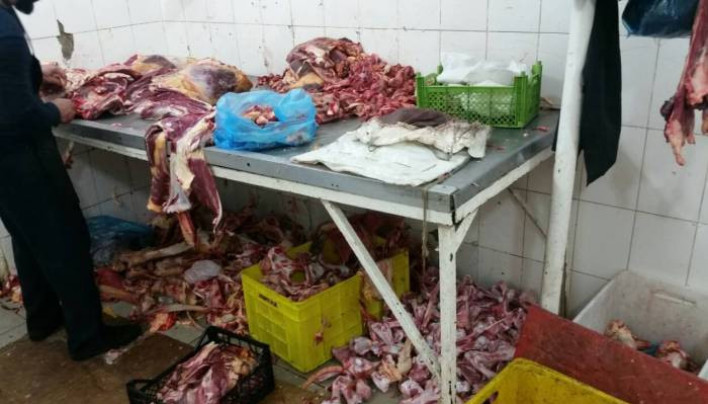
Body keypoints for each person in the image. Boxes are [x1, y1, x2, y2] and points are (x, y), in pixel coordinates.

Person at [0, 0, 141, 360]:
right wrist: (54, 111)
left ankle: (43, 319)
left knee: (27, 237)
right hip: (21, 153)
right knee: (65, 239)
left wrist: (34, 73)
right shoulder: (4, 30)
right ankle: (88, 337)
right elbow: (15, 117)